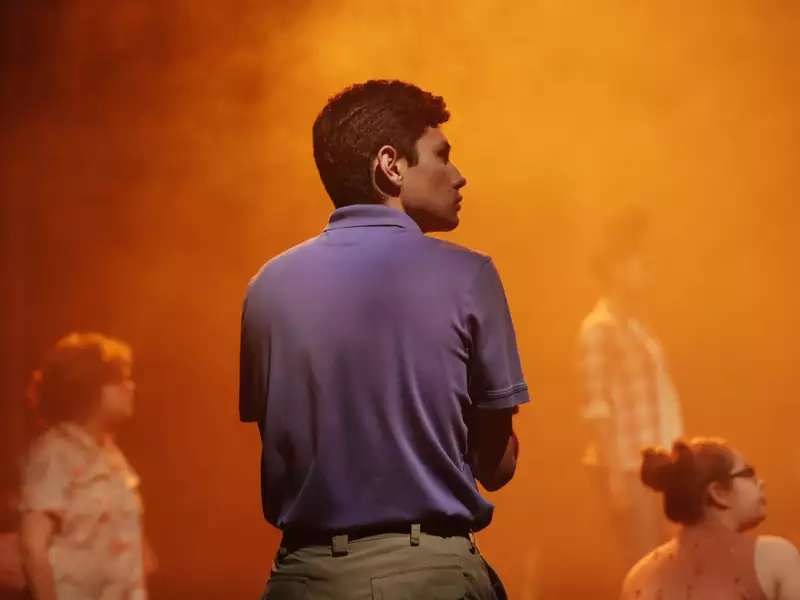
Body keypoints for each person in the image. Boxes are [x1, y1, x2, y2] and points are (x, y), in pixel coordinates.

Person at [239, 79, 529, 599]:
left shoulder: (266, 287)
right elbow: (498, 467)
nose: (459, 176)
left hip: (299, 580)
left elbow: (284, 442)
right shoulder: (469, 276)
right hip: (427, 578)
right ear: (390, 165)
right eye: (442, 155)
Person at [578, 207, 683, 565]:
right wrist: (615, 480)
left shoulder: (638, 329)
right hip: (629, 468)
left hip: (659, 465)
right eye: (640, 264)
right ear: (617, 270)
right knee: (645, 563)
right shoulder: (598, 328)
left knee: (668, 560)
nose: (647, 272)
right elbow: (597, 409)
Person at [19, 332, 155, 600]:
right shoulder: (56, 453)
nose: (131, 387)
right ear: (88, 387)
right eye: (119, 380)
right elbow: (33, 547)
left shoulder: (112, 456)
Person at [621, 438, 800, 600]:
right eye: (749, 473)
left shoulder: (637, 577)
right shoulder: (773, 557)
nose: (762, 481)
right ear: (718, 492)